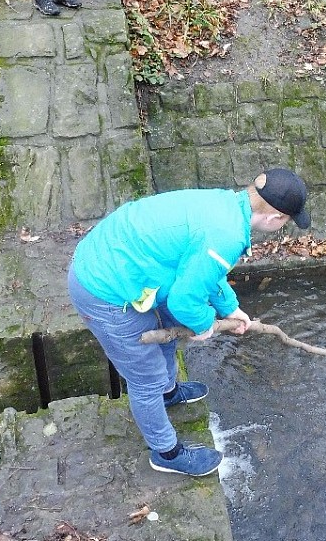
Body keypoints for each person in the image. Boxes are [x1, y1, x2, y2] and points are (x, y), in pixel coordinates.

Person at [68, 169, 311, 477]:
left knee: (169, 326)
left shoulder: (226, 206)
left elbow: (204, 271)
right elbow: (185, 300)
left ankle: (168, 394)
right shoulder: (226, 235)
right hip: (103, 288)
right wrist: (204, 323)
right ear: (275, 217)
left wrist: (230, 308)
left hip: (120, 260)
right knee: (146, 378)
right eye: (287, 221)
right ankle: (166, 453)